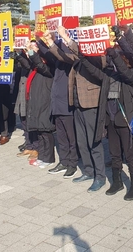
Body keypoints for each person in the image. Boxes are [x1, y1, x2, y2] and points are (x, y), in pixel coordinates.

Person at [78, 45, 133, 200]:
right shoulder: (109, 75)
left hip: (126, 120)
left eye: (116, 58)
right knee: (114, 153)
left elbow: (125, 72)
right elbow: (95, 73)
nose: (111, 61)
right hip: (111, 120)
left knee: (130, 154)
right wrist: (83, 59)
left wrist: (114, 55)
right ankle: (117, 181)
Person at [48, 26, 107, 193]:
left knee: (93, 142)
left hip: (91, 103)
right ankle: (88, 171)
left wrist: (66, 38)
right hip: (77, 103)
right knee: (81, 141)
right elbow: (63, 55)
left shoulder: (98, 55)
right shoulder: (77, 54)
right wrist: (51, 42)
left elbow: (83, 55)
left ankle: (100, 176)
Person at [41, 31, 78, 178]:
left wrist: (60, 38)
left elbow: (60, 53)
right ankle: (63, 161)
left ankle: (72, 163)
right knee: (61, 137)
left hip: (67, 105)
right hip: (57, 104)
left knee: (71, 137)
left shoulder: (70, 60)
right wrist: (42, 40)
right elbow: (47, 53)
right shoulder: (57, 62)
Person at [16, 40, 56, 168]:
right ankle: (42, 156)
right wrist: (22, 52)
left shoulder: (48, 67)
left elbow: (38, 62)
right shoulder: (35, 68)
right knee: (40, 132)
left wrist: (32, 51)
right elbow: (29, 64)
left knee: (45, 132)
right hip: (36, 102)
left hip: (45, 103)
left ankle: (48, 158)